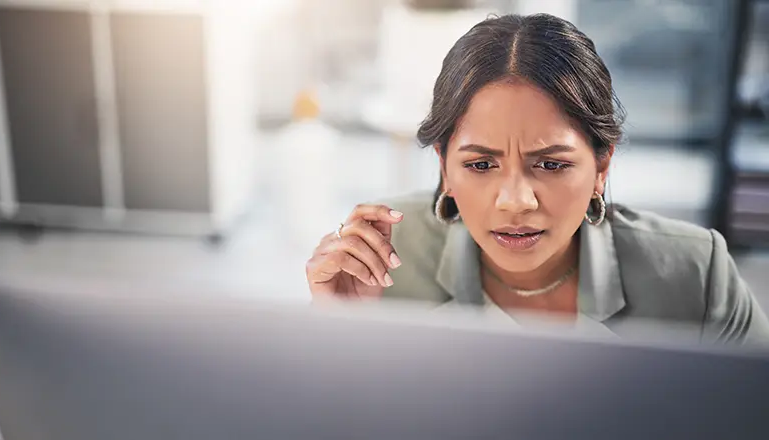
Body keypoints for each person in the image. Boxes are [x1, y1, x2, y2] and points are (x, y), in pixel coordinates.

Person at [305, 13, 769, 343]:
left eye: (550, 164)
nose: (515, 201)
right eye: (481, 165)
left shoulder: (694, 275)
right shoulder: (381, 262)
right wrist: (335, 332)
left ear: (601, 165)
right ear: (444, 166)